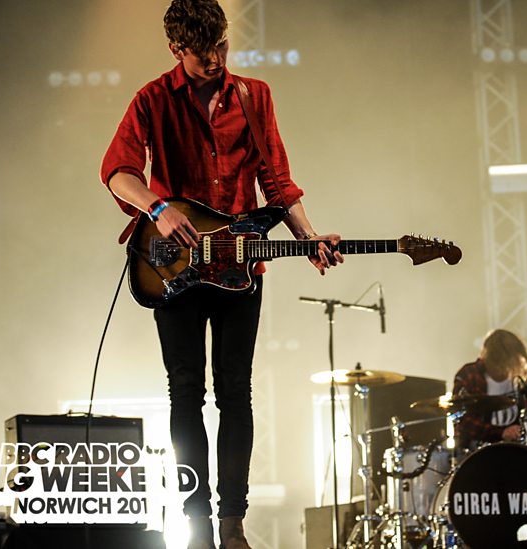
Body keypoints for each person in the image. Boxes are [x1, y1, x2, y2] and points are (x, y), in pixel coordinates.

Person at [99, 2, 342, 548]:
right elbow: (117, 170)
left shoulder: (255, 96)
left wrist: (308, 239)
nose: (216, 60)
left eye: (222, 48)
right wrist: (158, 210)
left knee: (236, 392)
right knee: (185, 394)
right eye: (203, 54)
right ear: (175, 50)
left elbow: (276, 180)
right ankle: (196, 526)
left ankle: (232, 523)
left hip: (239, 266)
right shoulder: (153, 98)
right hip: (176, 268)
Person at [451, 329, 527, 450]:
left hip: (518, 450)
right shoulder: (469, 374)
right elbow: (461, 420)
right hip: (477, 453)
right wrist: (500, 433)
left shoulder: (522, 377)